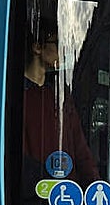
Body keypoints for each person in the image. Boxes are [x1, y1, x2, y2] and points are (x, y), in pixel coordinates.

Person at [22, 22, 98, 188]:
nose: (63, 51)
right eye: (57, 44)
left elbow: (80, 146)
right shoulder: (16, 96)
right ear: (37, 47)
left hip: (70, 195)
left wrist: (94, 185)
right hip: (35, 195)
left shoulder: (61, 95)